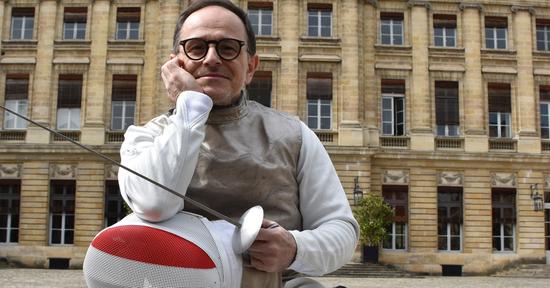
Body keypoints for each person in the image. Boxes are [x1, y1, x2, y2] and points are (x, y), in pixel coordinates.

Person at [118, 0, 359, 287]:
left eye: (228, 48)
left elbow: (341, 230)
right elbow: (156, 203)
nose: (211, 59)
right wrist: (191, 106)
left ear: (251, 66)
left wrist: (294, 248)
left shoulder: (294, 135)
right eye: (196, 47)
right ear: (174, 64)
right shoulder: (144, 136)